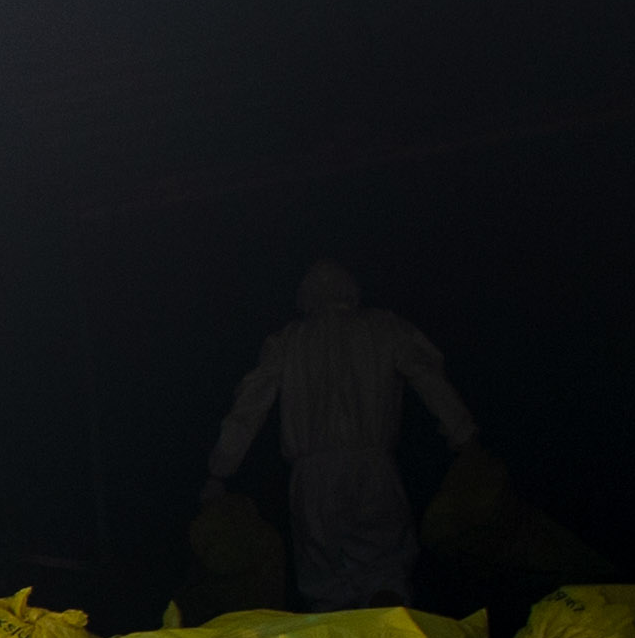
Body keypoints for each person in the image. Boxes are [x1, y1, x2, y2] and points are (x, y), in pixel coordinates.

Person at [203, 261, 479, 609]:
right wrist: (464, 436)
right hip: (373, 472)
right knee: (385, 574)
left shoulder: (289, 341)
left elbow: (250, 404)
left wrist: (220, 470)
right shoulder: (384, 328)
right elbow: (430, 379)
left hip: (313, 483)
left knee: (326, 590)